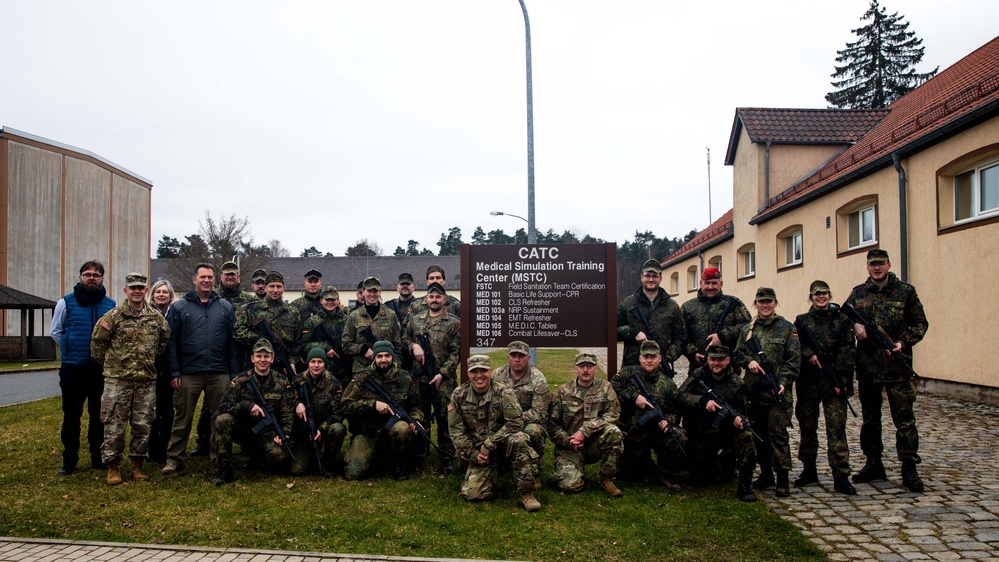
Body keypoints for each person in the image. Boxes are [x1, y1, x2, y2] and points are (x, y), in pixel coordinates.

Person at [846, 249, 929, 492]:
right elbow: (842, 319)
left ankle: (909, 467)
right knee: (870, 420)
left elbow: (920, 324)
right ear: (867, 267)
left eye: (881, 264)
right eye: (872, 264)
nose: (877, 268)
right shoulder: (858, 293)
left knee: (904, 420)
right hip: (868, 368)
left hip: (896, 367)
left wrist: (903, 342)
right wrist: (855, 325)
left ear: (889, 264)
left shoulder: (905, 291)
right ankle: (873, 463)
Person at [90, 273, 170, 485]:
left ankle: (137, 466)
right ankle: (113, 467)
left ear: (146, 291)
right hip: (118, 381)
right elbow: (98, 345)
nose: (136, 291)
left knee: (142, 425)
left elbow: (162, 344)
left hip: (145, 381)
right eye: (132, 288)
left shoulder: (155, 318)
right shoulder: (113, 317)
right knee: (114, 425)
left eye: (140, 288)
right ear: (125, 291)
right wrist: (114, 366)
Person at [162, 263, 241, 475]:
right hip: (189, 372)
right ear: (194, 280)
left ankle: (219, 457)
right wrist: (175, 372)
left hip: (219, 371)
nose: (207, 280)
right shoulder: (179, 307)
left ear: (215, 280)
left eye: (210, 277)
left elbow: (232, 343)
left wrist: (233, 374)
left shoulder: (224, 307)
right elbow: (171, 343)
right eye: (203, 277)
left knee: (220, 418)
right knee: (182, 418)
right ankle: (174, 458)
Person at [448, 354, 541, 512]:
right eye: (474, 371)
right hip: (480, 453)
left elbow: (516, 422)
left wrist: (491, 443)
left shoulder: (504, 393)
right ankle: (494, 476)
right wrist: (472, 454)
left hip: (504, 446)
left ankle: (527, 494)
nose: (479, 375)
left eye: (483, 370)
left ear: (490, 371)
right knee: (473, 494)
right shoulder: (459, 395)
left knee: (519, 439)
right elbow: (456, 430)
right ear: (469, 373)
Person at [50, 260, 116, 475]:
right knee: (71, 417)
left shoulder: (110, 305)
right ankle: (69, 461)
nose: (91, 278)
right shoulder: (66, 303)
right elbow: (56, 332)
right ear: (80, 277)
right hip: (73, 369)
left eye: (96, 275)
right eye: (87, 274)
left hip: (98, 370)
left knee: (98, 417)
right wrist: (70, 350)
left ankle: (98, 458)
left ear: (102, 279)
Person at [734, 287, 800, 497]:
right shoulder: (748, 330)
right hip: (754, 393)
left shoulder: (787, 329)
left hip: (777, 393)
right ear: (756, 304)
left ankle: (782, 477)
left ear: (775, 303)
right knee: (759, 435)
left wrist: (782, 381)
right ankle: (765, 474)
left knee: (778, 435)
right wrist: (749, 361)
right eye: (761, 302)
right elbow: (737, 354)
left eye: (769, 301)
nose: (765, 305)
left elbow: (794, 361)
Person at [793, 280, 857, 495]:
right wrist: (808, 354)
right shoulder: (802, 321)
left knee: (836, 430)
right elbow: (795, 345)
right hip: (808, 384)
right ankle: (809, 469)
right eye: (816, 294)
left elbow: (848, 351)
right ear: (810, 298)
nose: (821, 297)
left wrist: (844, 381)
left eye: (824, 294)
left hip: (834, 383)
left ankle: (841, 475)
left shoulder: (842, 320)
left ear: (829, 296)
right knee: (808, 429)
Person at [212, 338, 298, 485]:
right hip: (243, 429)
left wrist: (284, 432)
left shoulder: (282, 381)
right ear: (252, 358)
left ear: (272, 358)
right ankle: (224, 469)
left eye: (266, 356)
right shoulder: (241, 380)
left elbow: (288, 412)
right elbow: (223, 408)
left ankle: (257, 458)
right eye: (259, 356)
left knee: (279, 457)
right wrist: (246, 405)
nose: (262, 360)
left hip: (266, 431)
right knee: (222, 420)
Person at [679, 345, 758, 502]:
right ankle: (722, 463)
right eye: (713, 359)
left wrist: (740, 419)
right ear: (707, 360)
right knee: (699, 480)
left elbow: (747, 412)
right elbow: (680, 396)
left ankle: (745, 485)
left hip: (726, 432)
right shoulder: (697, 376)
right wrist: (702, 401)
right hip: (701, 433)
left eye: (720, 360)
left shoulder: (737, 383)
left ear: (728, 360)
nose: (716, 363)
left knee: (747, 436)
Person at [340, 341, 423, 481]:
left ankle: (399, 463)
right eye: (379, 356)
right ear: (374, 358)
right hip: (367, 432)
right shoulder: (362, 377)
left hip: (393, 432)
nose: (383, 360)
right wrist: (372, 405)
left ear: (392, 357)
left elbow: (415, 406)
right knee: (353, 473)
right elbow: (345, 405)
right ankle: (374, 457)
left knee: (403, 428)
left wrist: (416, 420)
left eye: (387, 356)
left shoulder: (405, 378)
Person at [611, 341, 687, 491]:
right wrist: (634, 396)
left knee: (679, 436)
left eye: (653, 357)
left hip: (655, 432)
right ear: (640, 358)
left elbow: (676, 411)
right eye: (646, 357)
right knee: (629, 476)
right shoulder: (626, 373)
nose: (649, 360)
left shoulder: (668, 384)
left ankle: (665, 475)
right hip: (631, 433)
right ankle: (645, 464)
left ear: (660, 358)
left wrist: (667, 421)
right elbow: (611, 387)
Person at [547, 351, 625, 497]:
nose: (585, 370)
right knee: (571, 487)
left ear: (596, 368)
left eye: (589, 366)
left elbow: (613, 414)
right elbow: (552, 425)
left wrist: (585, 431)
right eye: (581, 366)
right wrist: (567, 440)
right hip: (570, 447)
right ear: (575, 368)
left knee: (614, 432)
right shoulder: (563, 391)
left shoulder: (605, 388)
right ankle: (572, 471)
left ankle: (607, 479)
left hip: (595, 443)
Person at [402, 281, 460, 474]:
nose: (434, 300)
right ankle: (420, 453)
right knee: (421, 416)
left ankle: (446, 457)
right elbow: (405, 338)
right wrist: (413, 346)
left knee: (445, 418)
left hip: (444, 379)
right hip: (420, 379)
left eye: (438, 297)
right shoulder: (416, 319)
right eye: (431, 296)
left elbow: (456, 352)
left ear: (444, 299)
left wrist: (442, 373)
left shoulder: (453, 322)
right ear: (426, 299)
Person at [491, 340, 551, 478]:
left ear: (528, 358)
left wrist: (515, 420)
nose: (517, 360)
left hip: (527, 421)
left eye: (521, 356)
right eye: (513, 355)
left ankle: (533, 467)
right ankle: (498, 461)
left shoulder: (538, 379)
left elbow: (539, 412)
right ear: (508, 357)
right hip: (502, 420)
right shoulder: (496, 375)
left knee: (534, 431)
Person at [616, 259, 686, 374]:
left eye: (655, 276)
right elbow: (613, 331)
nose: (651, 279)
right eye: (647, 275)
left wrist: (667, 358)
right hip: (632, 369)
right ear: (641, 277)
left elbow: (681, 338)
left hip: (661, 370)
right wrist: (633, 332)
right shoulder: (628, 303)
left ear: (660, 278)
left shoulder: (672, 306)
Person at [290, 348, 347, 477]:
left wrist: (322, 428)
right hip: (303, 431)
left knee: (338, 428)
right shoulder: (297, 381)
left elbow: (338, 413)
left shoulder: (334, 384)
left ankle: (328, 463)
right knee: (297, 470)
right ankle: (310, 456)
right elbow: (288, 401)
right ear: (308, 363)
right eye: (313, 361)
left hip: (324, 429)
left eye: (320, 362)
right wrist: (297, 403)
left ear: (325, 364)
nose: (316, 365)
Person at [234, 271, 302, 375]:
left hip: (283, 367)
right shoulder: (251, 309)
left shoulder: (293, 312)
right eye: (272, 286)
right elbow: (237, 332)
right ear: (265, 288)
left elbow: (298, 341)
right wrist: (259, 339)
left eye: (279, 286)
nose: (275, 290)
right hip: (256, 367)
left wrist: (292, 361)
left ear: (283, 288)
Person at [681, 267, 752, 366]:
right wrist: (692, 352)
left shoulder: (733, 303)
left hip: (728, 368)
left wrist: (722, 336)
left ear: (721, 284)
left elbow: (748, 326)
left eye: (714, 283)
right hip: (698, 367)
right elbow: (680, 335)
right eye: (707, 283)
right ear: (701, 283)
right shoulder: (687, 307)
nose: (710, 287)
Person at [341, 277, 402, 372]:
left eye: (375, 291)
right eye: (369, 291)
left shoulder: (390, 315)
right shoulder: (354, 316)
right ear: (363, 292)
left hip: (386, 370)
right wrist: (363, 350)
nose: (372, 294)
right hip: (362, 370)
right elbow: (346, 344)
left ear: (380, 291)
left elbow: (397, 345)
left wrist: (396, 367)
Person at [146, 278, 176, 464]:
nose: (161, 295)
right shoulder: (146, 313)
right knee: (150, 411)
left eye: (165, 292)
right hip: (149, 370)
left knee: (167, 411)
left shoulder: (176, 313)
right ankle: (151, 449)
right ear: (153, 294)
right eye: (158, 292)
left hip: (169, 369)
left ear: (170, 294)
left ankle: (164, 449)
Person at [300, 286, 350, 384]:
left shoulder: (348, 320)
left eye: (333, 299)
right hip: (321, 370)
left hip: (345, 370)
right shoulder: (312, 322)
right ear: (321, 300)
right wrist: (325, 348)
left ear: (338, 301)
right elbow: (304, 345)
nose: (330, 302)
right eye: (327, 299)